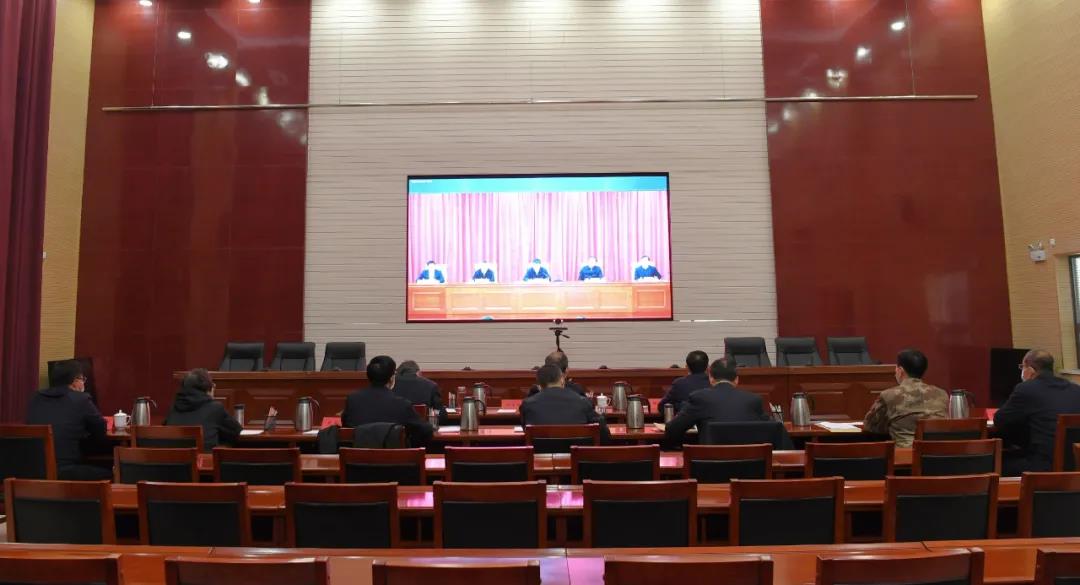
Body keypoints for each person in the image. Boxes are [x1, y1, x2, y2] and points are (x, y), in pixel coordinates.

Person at [995, 349, 1080, 475]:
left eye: (1022, 367)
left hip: (1041, 468)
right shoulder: (1075, 390)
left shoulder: (1026, 389)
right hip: (1074, 466)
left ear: (1030, 369)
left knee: (996, 462)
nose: (1022, 371)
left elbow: (999, 420)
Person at [24, 359, 110, 480]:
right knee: (111, 473)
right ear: (75, 381)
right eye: (82, 379)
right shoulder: (81, 399)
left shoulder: (35, 398)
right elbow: (100, 430)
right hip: (64, 473)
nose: (83, 384)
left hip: (32, 472)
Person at [663, 357, 769, 446]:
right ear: (737, 380)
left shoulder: (700, 398)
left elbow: (672, 429)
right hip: (748, 462)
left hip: (710, 462)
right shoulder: (754, 400)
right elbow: (769, 430)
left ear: (711, 378)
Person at [862, 349, 948, 448]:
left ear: (900, 370)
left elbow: (869, 426)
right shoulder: (942, 394)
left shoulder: (889, 395)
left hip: (905, 454)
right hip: (937, 454)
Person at [342, 355, 434, 446]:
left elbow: (346, 426)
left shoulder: (353, 400)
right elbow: (426, 431)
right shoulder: (402, 404)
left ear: (368, 376)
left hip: (359, 455)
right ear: (391, 378)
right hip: (395, 455)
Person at [520, 364, 610, 442]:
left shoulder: (527, 404)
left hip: (539, 455)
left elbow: (525, 430)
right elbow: (604, 433)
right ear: (562, 380)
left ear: (539, 386)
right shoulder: (582, 402)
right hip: (577, 455)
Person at [164, 368, 244, 452]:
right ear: (208, 389)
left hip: (175, 460)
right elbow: (236, 431)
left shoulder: (174, 408)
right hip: (204, 459)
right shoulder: (215, 408)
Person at [393, 360, 448, 425]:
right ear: (418, 372)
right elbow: (441, 415)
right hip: (422, 428)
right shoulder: (431, 385)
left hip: (395, 428)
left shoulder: (390, 385)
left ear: (398, 373)